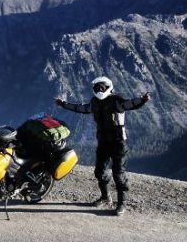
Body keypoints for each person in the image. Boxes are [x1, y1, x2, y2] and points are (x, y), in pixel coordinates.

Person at [55, 76, 151, 216]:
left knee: (118, 173)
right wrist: (63, 104)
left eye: (102, 87)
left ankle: (121, 203)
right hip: (103, 142)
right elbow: (81, 108)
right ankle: (106, 197)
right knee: (100, 171)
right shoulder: (95, 103)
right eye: (97, 87)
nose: (100, 89)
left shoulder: (116, 101)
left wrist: (142, 100)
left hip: (118, 143)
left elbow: (130, 104)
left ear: (109, 87)